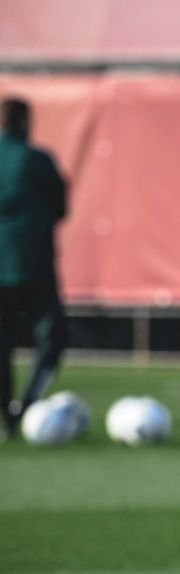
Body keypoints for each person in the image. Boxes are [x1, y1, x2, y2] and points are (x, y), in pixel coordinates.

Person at [0, 97, 68, 440]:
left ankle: (6, 415)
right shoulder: (37, 160)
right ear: (24, 121)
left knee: (2, 342)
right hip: (33, 263)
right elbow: (60, 206)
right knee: (53, 337)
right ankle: (26, 405)